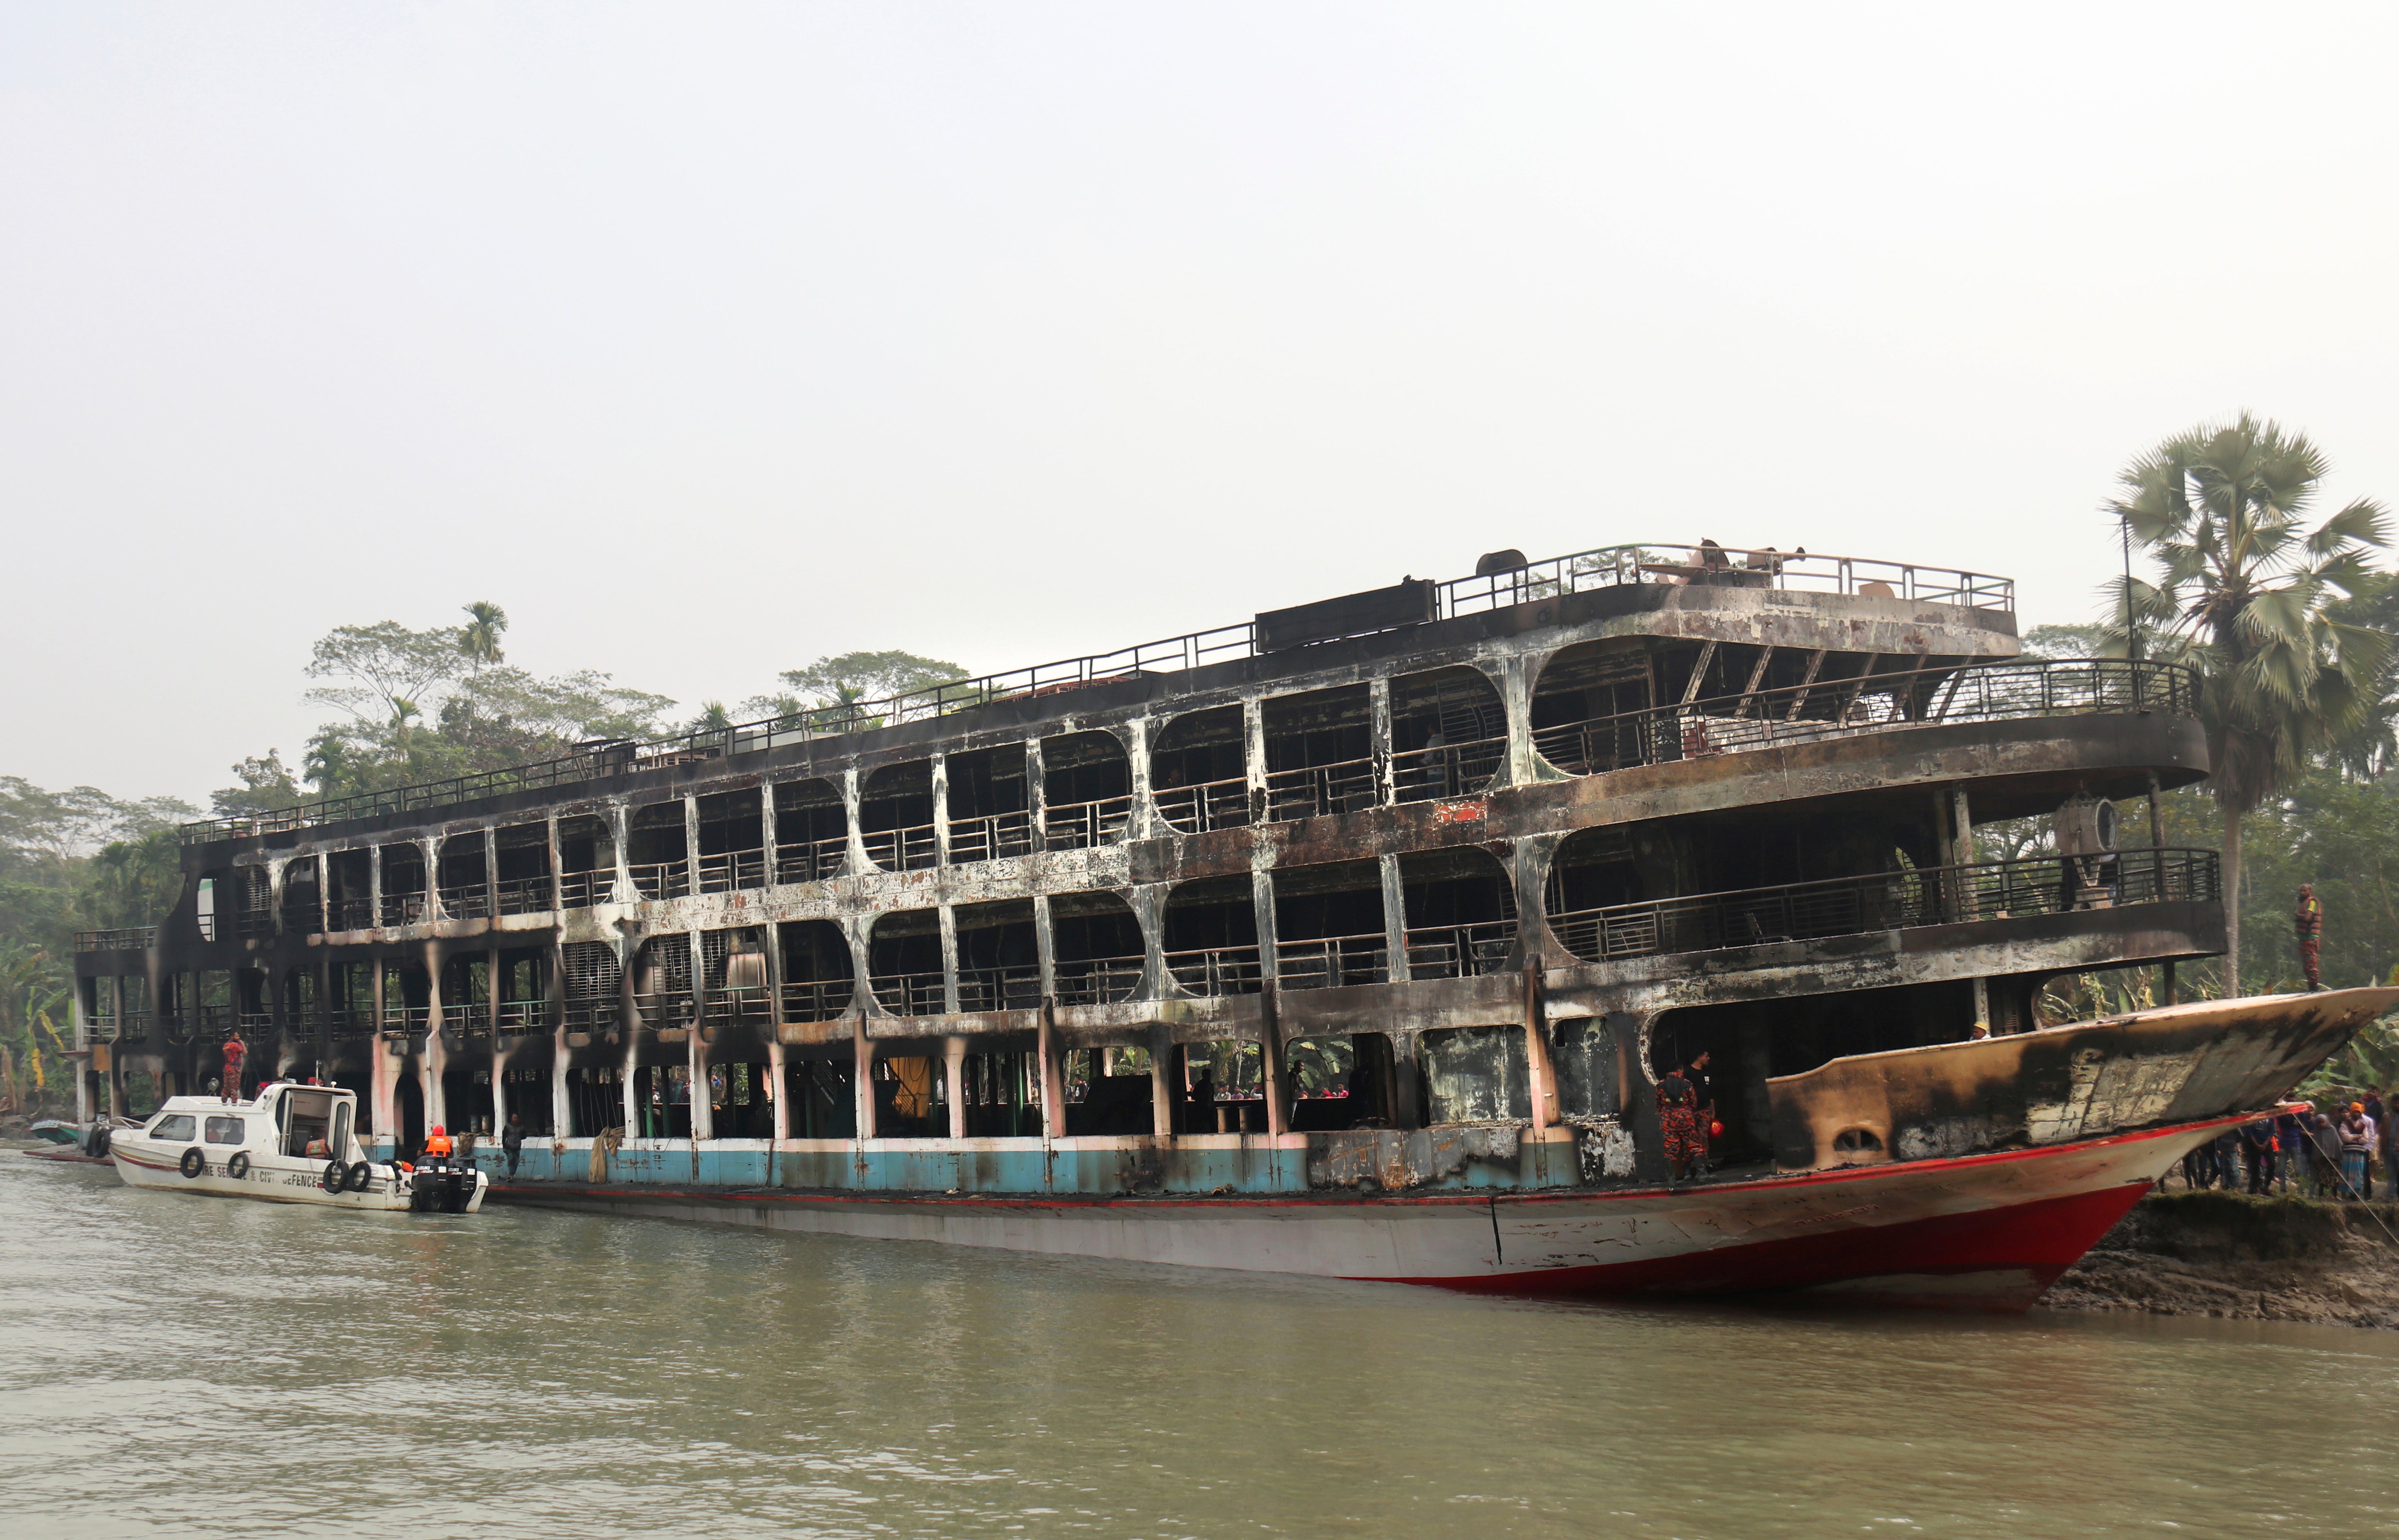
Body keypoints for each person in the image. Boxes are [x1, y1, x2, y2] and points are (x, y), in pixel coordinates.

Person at [1656, 1061, 1705, 1182]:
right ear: (1680, 1070)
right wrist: (1686, 1111)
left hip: (1668, 1120)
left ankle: (1671, 1178)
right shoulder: (1687, 1084)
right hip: (1685, 1118)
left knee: (1670, 1148)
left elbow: (1659, 1105)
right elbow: (1694, 1102)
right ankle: (1702, 1174)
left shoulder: (1661, 1085)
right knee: (1693, 1145)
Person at [2341, 1103, 2375, 1200]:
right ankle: (2344, 1194)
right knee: (2347, 1171)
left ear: (2361, 1114)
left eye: (2358, 1112)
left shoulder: (2363, 1125)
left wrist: (2353, 1138)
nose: (2356, 1114)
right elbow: (2346, 1138)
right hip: (2348, 1152)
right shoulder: (2345, 1124)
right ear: (2351, 1113)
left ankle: (2355, 1194)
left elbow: (2366, 1139)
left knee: (2358, 1173)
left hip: (2360, 1153)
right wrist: (2358, 1137)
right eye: (2354, 1112)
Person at [2295, 884, 2323, 991]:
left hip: (2310, 937)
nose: (2302, 893)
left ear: (2310, 891)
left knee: (2311, 963)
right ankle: (2311, 988)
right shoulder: (2304, 904)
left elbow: (2308, 918)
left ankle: (2314, 988)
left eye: (2305, 891)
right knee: (2306, 964)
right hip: (2304, 938)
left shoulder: (2311, 903)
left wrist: (2298, 916)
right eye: (2301, 891)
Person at [2240, 1118, 2277, 1195]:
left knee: (2272, 1163)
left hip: (2266, 1144)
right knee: (2255, 1168)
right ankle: (2253, 1188)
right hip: (2254, 1145)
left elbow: (2272, 1130)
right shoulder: (2253, 1117)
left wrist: (2265, 1144)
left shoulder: (2270, 1117)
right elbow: (2249, 1132)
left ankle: (2266, 1186)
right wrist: (2256, 1144)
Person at [219, 1033, 247, 1104]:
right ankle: (234, 1103)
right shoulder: (235, 1045)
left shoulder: (226, 1045)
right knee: (235, 1087)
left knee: (226, 1086)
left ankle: (224, 1101)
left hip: (227, 1068)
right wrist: (242, 1044)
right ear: (232, 1037)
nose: (239, 1038)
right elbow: (245, 1053)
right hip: (234, 1069)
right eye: (237, 1036)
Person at [502, 1113, 525, 1177]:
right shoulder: (508, 1127)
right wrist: (504, 1147)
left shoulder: (521, 1127)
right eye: (514, 1118)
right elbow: (504, 1137)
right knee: (511, 1161)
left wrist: (518, 1138)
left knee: (517, 1162)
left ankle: (511, 1174)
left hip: (517, 1148)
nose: (515, 1120)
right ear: (511, 1119)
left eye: (516, 1118)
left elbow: (524, 1136)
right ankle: (511, 1176)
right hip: (509, 1147)